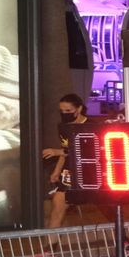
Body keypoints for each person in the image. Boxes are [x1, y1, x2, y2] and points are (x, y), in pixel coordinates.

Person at [42, 94, 89, 232]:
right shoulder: (63, 126)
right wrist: (56, 172)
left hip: (90, 172)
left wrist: (57, 152)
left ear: (79, 109)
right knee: (58, 206)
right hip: (69, 171)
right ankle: (48, 250)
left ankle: (124, 238)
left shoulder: (91, 126)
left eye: (68, 111)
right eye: (61, 111)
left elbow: (87, 151)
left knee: (107, 207)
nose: (64, 114)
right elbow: (65, 149)